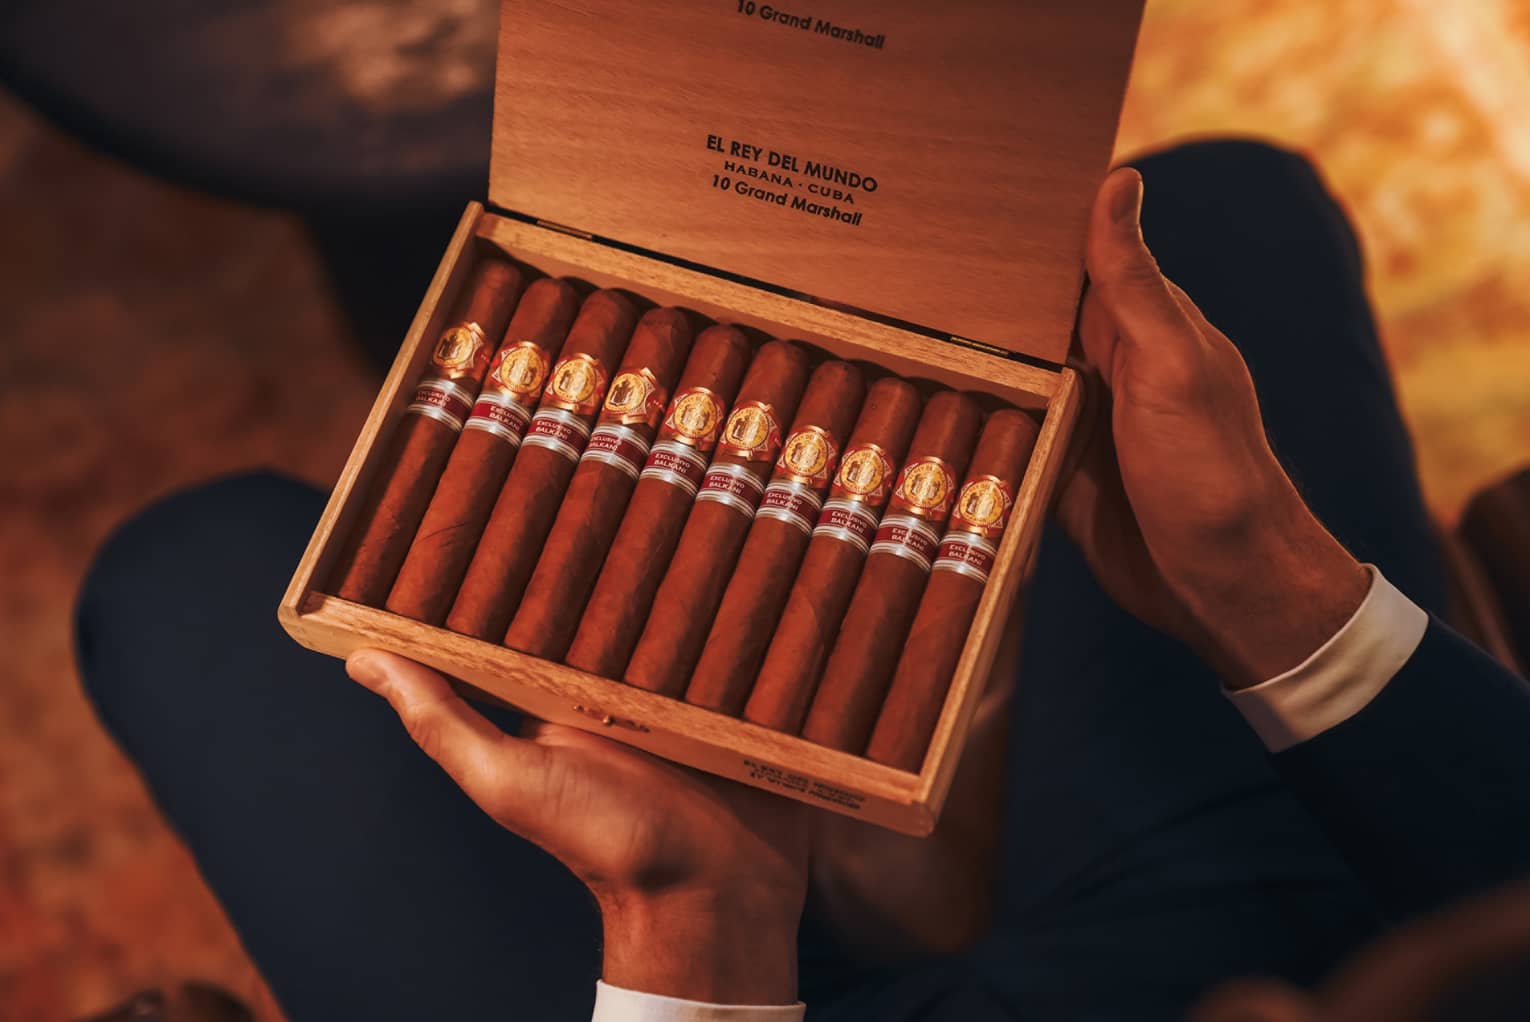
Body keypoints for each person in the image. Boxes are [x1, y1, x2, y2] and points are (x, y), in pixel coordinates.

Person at [75, 142, 1530, 1021]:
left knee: (182, 579)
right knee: (1220, 206)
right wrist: (1266, 581)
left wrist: (686, 926)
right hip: (1353, 930)